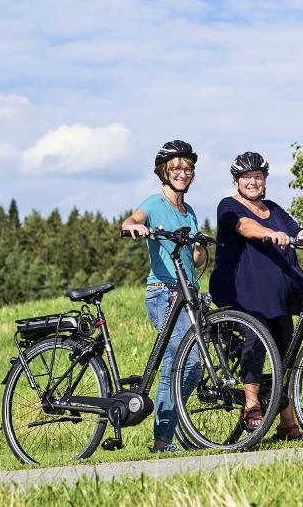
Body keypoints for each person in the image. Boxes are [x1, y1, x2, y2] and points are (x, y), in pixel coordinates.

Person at [209, 151, 303, 442]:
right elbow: (243, 226)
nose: (252, 181)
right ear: (237, 181)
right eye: (246, 177)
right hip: (242, 292)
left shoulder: (273, 208)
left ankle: (287, 425)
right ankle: (251, 405)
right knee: (255, 340)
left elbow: (298, 231)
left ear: (264, 180)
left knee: (285, 355)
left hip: (278, 294)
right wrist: (268, 233)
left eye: (258, 176)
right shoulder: (229, 206)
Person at [121, 139, 206, 453]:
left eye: (187, 168)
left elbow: (195, 261)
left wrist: (199, 248)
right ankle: (162, 439)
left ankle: (168, 432)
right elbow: (132, 219)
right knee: (182, 361)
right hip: (164, 292)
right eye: (176, 168)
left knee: (190, 364)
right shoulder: (155, 203)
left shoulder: (189, 210)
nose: (183, 173)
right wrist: (136, 228)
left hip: (188, 292)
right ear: (164, 172)